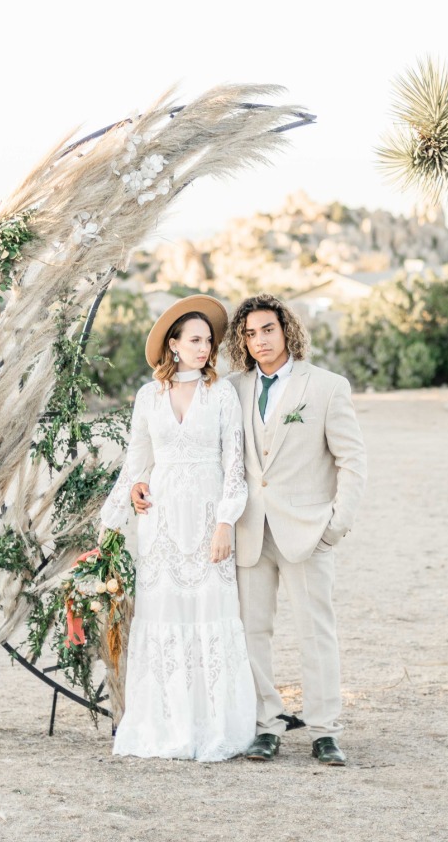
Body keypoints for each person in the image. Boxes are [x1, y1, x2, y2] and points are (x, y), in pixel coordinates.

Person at [99, 294, 255, 761]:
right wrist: (124, 502)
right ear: (173, 344)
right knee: (164, 617)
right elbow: (136, 460)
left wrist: (226, 520)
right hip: (161, 524)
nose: (204, 348)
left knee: (210, 614)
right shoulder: (149, 397)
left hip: (208, 520)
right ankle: (163, 725)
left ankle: (212, 726)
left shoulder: (221, 392)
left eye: (208, 340)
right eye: (195, 340)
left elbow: (234, 462)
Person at [224, 293, 367, 766]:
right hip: (250, 531)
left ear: (286, 329)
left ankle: (325, 731)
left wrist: (336, 525)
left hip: (308, 532)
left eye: (267, 329)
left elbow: (352, 460)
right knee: (252, 632)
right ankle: (267, 726)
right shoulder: (234, 389)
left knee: (315, 631)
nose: (259, 340)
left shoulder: (326, 387)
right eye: (250, 333)